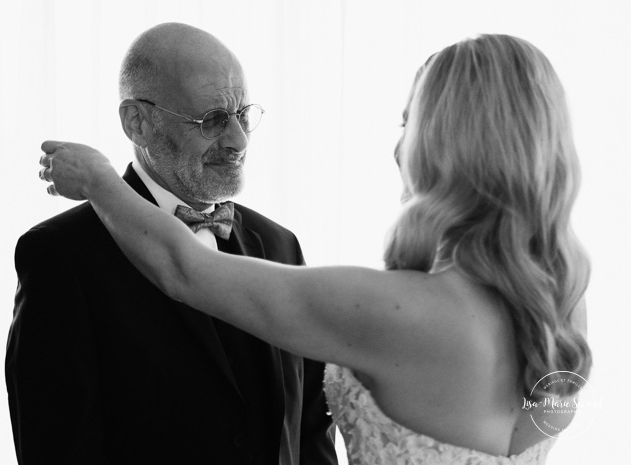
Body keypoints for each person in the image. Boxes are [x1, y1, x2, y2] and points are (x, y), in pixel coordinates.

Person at [40, 34, 591, 464]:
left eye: (409, 121)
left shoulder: (389, 308)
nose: (399, 143)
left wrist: (97, 179)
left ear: (445, 140)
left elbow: (186, 269)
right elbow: (538, 425)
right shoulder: (561, 305)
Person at [5, 23, 337, 465]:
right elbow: (56, 445)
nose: (238, 140)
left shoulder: (279, 244)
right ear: (138, 123)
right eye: (213, 120)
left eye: (243, 115)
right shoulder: (61, 256)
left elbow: (312, 428)